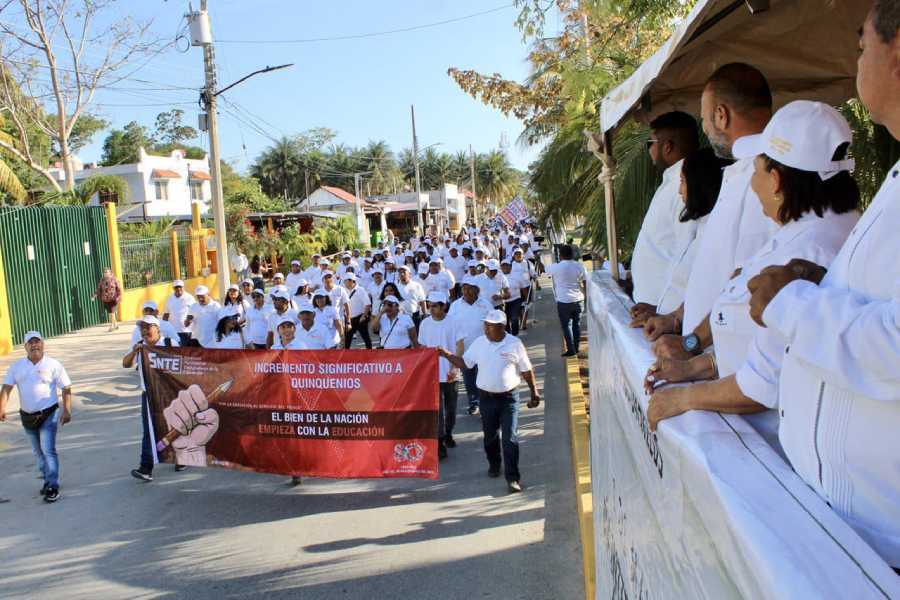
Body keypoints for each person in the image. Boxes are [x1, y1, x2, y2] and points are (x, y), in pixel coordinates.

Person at [744, 3, 900, 569]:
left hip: (878, 549)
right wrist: (820, 284)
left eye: (862, 46)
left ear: (897, 52)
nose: (857, 60)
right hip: (850, 534)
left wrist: (792, 299)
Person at [645, 100, 860, 431]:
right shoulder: (802, 230)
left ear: (775, 181)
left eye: (755, 172)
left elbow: (762, 382)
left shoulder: (811, 251)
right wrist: (694, 366)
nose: (753, 184)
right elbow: (753, 343)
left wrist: (683, 398)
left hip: (764, 440)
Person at [643, 63, 777, 360]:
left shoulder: (765, 178)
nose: (704, 128)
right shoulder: (738, 172)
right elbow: (713, 270)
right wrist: (677, 319)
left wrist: (692, 343)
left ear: (721, 115)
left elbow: (744, 285)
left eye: (704, 119)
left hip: (730, 366)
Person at [440, 310, 541, 493]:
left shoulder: (514, 344)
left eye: (490, 325)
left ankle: (513, 478)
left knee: (510, 438)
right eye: (485, 324)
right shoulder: (480, 343)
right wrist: (446, 354)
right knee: (490, 437)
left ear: (502, 327)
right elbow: (466, 363)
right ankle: (494, 464)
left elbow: (526, 370)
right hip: (486, 398)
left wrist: (534, 392)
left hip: (508, 399)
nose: (486, 328)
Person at [630, 149, 731, 326]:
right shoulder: (704, 226)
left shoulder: (722, 232)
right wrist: (660, 310)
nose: (679, 190)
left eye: (683, 181)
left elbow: (717, 299)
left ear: (698, 183)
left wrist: (676, 325)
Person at [630, 112, 701, 309]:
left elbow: (686, 254)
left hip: (662, 313)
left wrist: (666, 312)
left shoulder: (686, 185)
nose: (649, 150)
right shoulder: (672, 181)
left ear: (667, 146)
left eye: (650, 143)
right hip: (653, 308)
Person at [0, 331, 72, 503]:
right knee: (37, 452)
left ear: (43, 344)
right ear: (25, 347)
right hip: (27, 417)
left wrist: (67, 410)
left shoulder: (53, 365)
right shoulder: (17, 367)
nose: (34, 345)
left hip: (49, 413)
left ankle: (53, 486)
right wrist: (1, 407)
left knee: (48, 450)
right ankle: (48, 479)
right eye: (30, 343)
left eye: (37, 342)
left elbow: (66, 387)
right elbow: (7, 388)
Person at [122, 315, 181, 483]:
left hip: (169, 393)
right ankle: (146, 467)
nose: (145, 330)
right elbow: (125, 364)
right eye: (142, 328)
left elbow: (184, 363)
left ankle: (180, 458)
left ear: (158, 329)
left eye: (148, 327)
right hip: (148, 395)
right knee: (149, 431)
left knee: (174, 426)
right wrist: (134, 351)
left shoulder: (170, 344)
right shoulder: (140, 348)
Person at [418, 292, 459, 458]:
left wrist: (454, 368)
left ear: (443, 306)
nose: (431, 308)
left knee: (451, 408)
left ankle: (448, 432)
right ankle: (439, 440)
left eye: (435, 305)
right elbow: (421, 346)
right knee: (437, 409)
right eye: (430, 305)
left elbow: (460, 345)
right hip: (432, 374)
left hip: (450, 373)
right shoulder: (425, 324)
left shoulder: (454, 322)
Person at [449, 281, 492, 415]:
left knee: (483, 376)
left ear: (476, 290)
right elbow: (450, 325)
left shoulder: (486, 304)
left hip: (484, 348)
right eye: (464, 289)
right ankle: (473, 402)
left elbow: (493, 324)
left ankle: (485, 402)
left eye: (470, 289)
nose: (466, 292)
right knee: (469, 378)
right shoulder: (455, 306)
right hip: (464, 349)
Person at [546, 244, 587, 357]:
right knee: (576, 325)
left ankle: (571, 349)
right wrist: (586, 296)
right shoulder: (580, 266)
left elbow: (545, 269)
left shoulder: (556, 267)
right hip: (579, 299)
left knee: (566, 326)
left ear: (560, 255)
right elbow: (585, 282)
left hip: (564, 301)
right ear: (572, 254)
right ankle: (576, 348)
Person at [343, 274, 373, 349]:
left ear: (351, 281)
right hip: (349, 319)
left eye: (345, 281)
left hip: (360, 318)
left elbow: (368, 304)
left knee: (365, 337)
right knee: (347, 339)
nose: (344, 283)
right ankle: (344, 356)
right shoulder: (343, 290)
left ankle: (371, 354)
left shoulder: (360, 290)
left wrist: (364, 316)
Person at [162, 280, 195, 347]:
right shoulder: (170, 299)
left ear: (183, 287)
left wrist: (189, 321)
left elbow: (194, 312)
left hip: (186, 331)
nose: (178, 289)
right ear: (173, 288)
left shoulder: (190, 298)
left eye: (180, 287)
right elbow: (166, 314)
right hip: (173, 331)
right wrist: (164, 327)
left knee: (186, 351)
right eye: (176, 287)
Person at [501, 259, 528, 335]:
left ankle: (515, 335)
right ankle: (508, 335)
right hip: (503, 303)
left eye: (507, 265)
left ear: (511, 266)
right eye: (503, 265)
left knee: (514, 319)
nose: (505, 267)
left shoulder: (517, 275)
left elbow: (523, 288)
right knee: (505, 321)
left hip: (515, 300)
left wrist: (526, 300)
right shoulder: (498, 277)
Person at [93, 267, 122, 332]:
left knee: (112, 312)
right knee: (111, 313)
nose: (105, 274)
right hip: (106, 299)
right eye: (104, 272)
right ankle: (116, 324)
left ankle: (111, 326)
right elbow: (99, 289)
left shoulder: (114, 279)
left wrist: (119, 297)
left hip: (113, 298)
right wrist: (95, 295)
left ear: (110, 273)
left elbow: (119, 289)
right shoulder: (102, 280)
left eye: (107, 272)